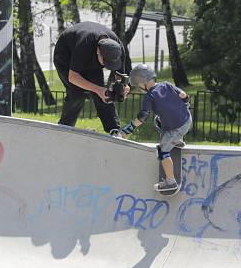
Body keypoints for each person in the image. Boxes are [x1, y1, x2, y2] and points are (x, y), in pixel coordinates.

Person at [121, 64, 192, 193]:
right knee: (158, 120)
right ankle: (177, 140)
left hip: (176, 128)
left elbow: (142, 117)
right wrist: (186, 105)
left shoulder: (150, 96)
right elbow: (183, 95)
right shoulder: (166, 84)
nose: (139, 88)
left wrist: (128, 129)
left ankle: (171, 182)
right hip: (187, 119)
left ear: (143, 82)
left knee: (161, 151)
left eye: (138, 86)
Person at [53, 22, 131, 136]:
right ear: (98, 51)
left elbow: (120, 75)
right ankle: (65, 127)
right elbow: (73, 77)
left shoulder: (118, 48)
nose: (107, 66)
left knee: (105, 94)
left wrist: (123, 87)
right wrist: (97, 89)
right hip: (66, 56)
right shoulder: (83, 44)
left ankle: (114, 129)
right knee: (77, 92)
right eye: (106, 63)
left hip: (90, 59)